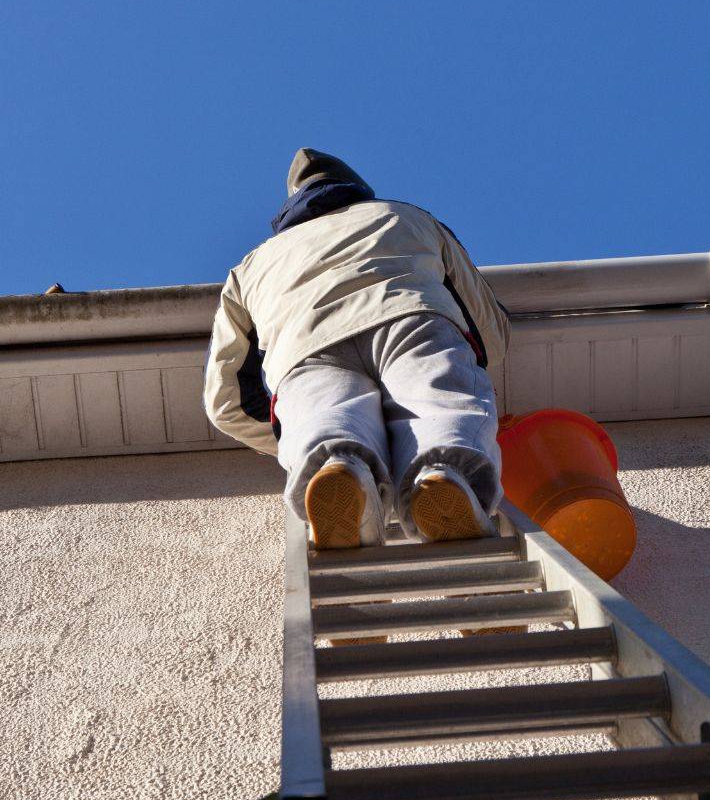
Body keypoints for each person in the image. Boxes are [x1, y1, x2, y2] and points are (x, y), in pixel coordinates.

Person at [204, 149, 510, 550]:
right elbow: (488, 323)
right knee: (440, 405)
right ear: (358, 190)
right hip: (410, 320)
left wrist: (286, 429)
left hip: (304, 349)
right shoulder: (407, 216)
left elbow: (225, 401)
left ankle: (341, 468)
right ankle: (441, 478)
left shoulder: (250, 268)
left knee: (324, 420)